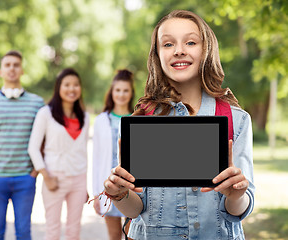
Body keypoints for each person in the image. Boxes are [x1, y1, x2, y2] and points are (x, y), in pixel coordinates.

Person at [103, 10, 255, 240]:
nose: (179, 50)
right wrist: (120, 195)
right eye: (168, 44)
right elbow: (136, 209)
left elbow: (240, 210)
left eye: (191, 42)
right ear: (157, 55)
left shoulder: (237, 120)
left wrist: (235, 195)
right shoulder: (139, 122)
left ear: (206, 50)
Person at [0, 50, 44, 240]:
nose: (11, 68)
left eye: (16, 65)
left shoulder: (37, 103)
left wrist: (34, 173)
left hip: (25, 178)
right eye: (7, 65)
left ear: (22, 70)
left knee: (24, 231)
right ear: (1, 71)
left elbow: (44, 141)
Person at [28, 68, 90, 240]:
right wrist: (46, 176)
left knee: (74, 230)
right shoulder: (45, 114)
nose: (72, 89)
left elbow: (82, 152)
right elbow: (33, 148)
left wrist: (84, 186)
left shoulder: (84, 116)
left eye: (76, 85)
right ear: (58, 87)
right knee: (53, 230)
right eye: (67, 85)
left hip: (78, 180)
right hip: (54, 178)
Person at [92, 69, 135, 240]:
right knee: (114, 236)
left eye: (126, 90)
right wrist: (96, 194)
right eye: (118, 90)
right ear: (112, 92)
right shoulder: (101, 120)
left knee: (131, 235)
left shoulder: (136, 117)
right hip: (108, 186)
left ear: (131, 93)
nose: (121, 94)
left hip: (132, 187)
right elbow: (96, 159)